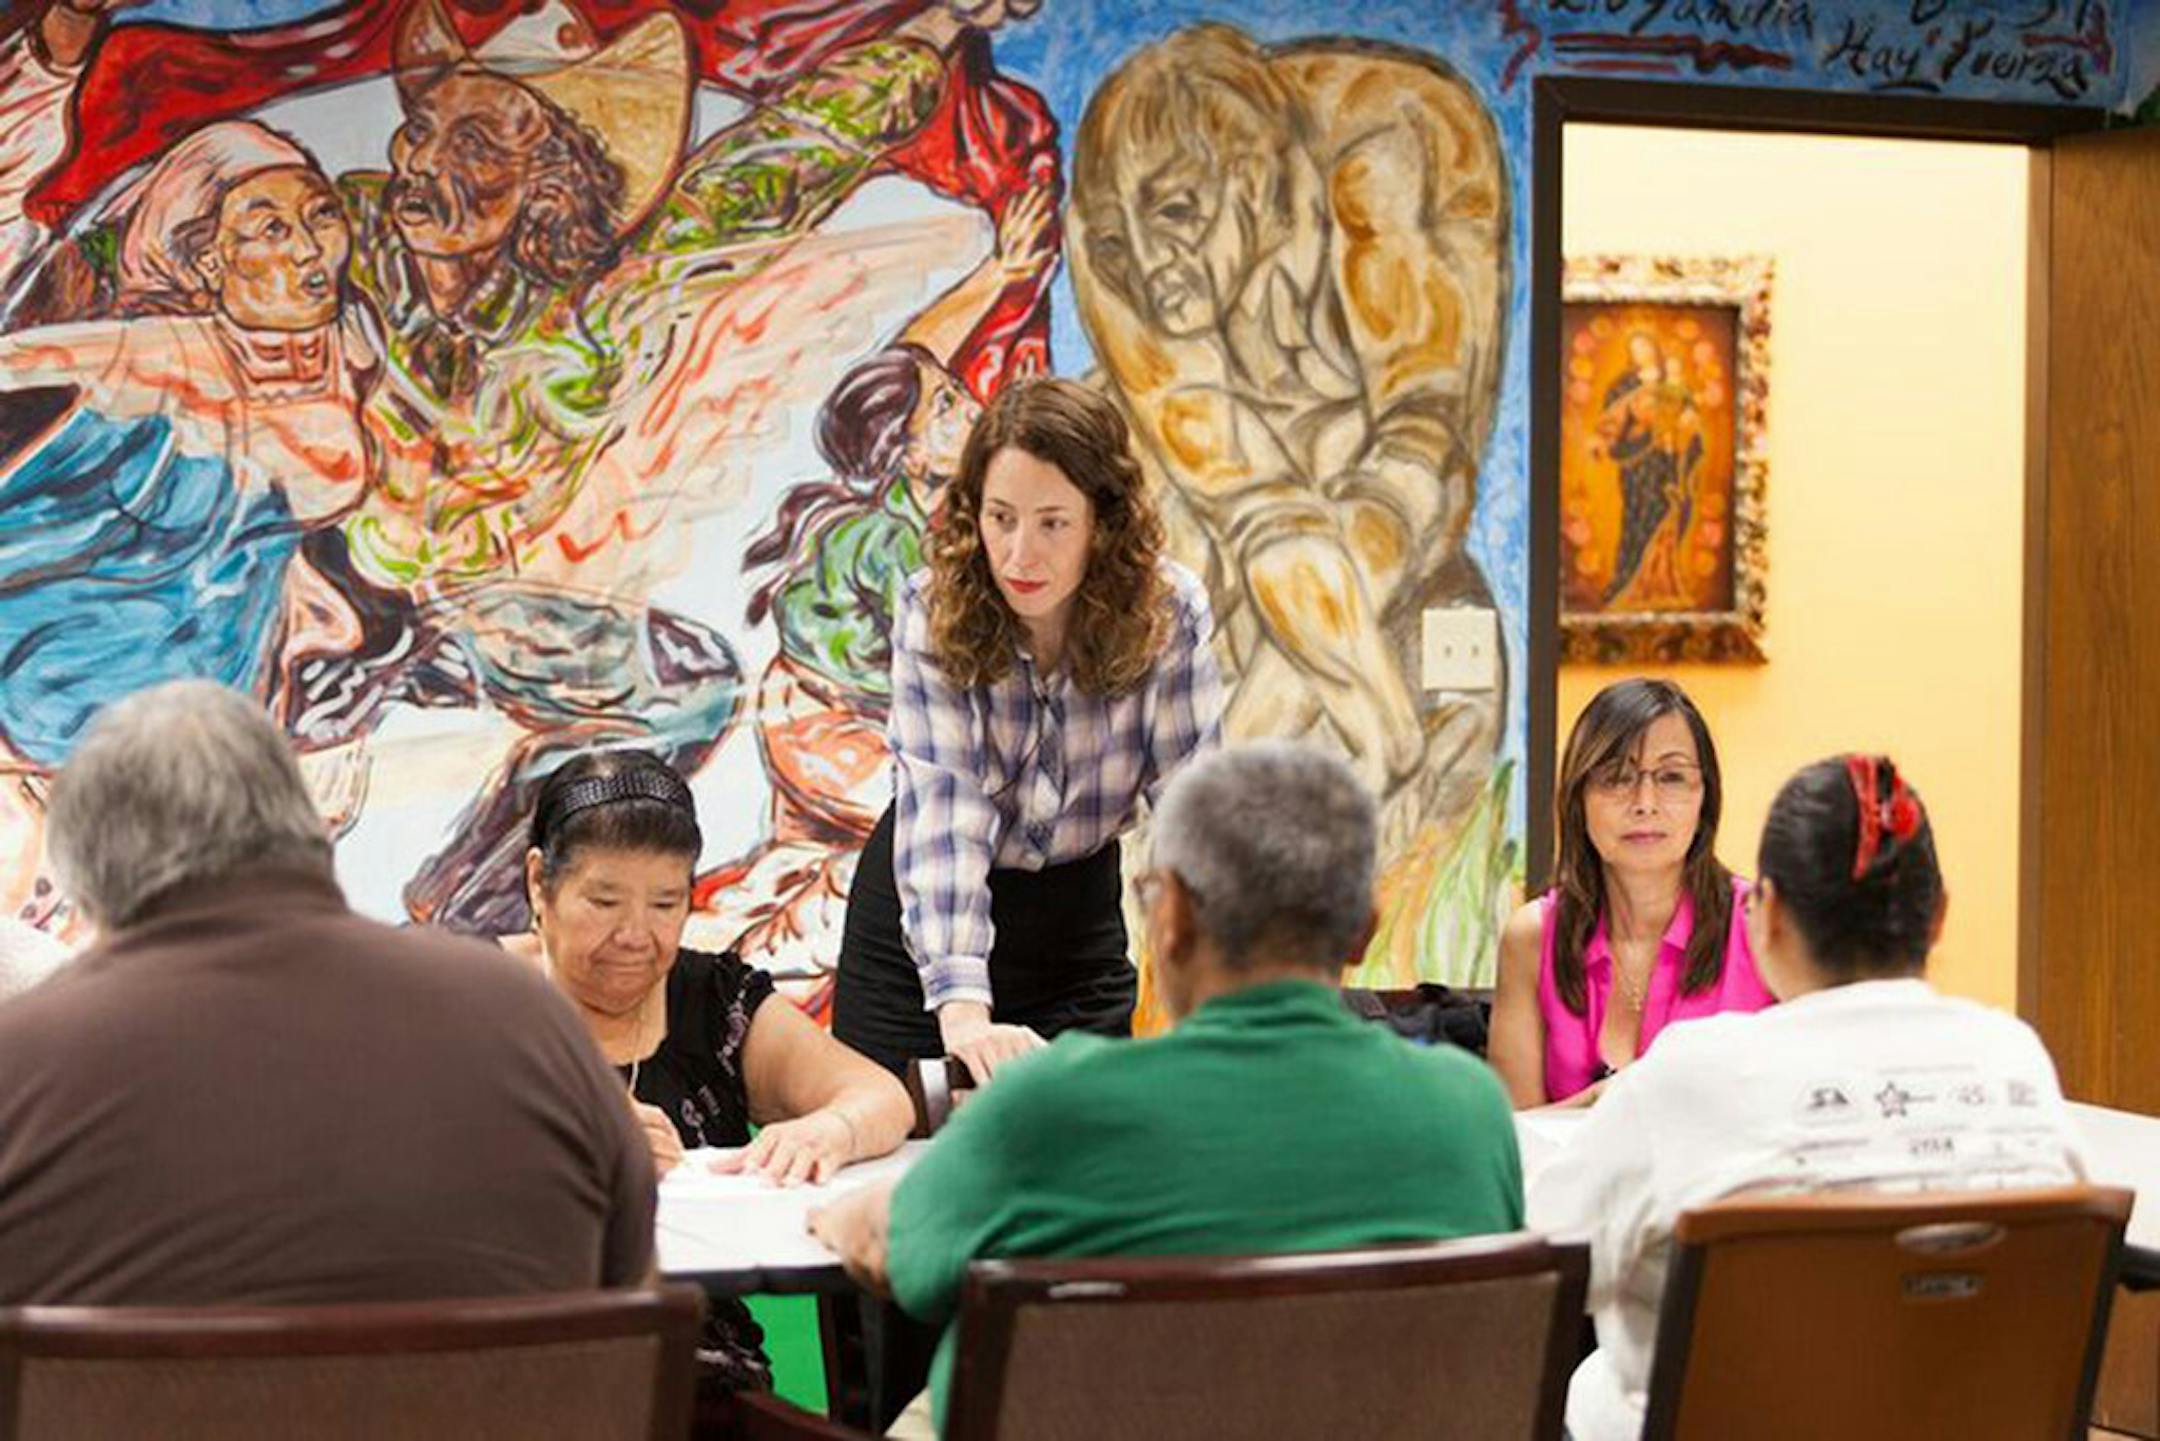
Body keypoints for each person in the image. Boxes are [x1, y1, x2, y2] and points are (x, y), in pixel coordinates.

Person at [811, 741, 1524, 1438]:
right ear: (1364, 928)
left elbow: (892, 1248)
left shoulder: (1054, 1104)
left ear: (1172, 917)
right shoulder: (1468, 1110)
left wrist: (846, 1211)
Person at [0, 680, 654, 1305]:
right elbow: (631, 1293)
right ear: (309, 829)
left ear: (88, 882)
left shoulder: (25, 1062)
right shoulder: (529, 1019)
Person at [1527, 753, 2087, 1441]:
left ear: (1767, 915)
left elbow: (1533, 1273)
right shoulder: (2017, 1058)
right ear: (1938, 916)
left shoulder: (1689, 1076)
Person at [1069, 23, 1508, 856]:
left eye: (1175, 213)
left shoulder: (1393, 153)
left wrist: (1359, 697)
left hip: (1390, 556)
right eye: (1123, 238)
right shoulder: (1109, 244)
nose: (1151, 264)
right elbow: (1254, 512)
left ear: (1254, 183)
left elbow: (1421, 465)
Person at [0, 97, 377, 930]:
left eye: (319, 218)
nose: (310, 249)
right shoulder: (143, 355)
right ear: (206, 261)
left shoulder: (345, 360)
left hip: (206, 719)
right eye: (268, 229)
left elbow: (274, 550)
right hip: (62, 694)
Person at [830, 376, 1225, 1080]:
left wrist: (1223, 999)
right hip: (921, 932)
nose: (1018, 555)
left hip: (1074, 926)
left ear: (1103, 521)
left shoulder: (1170, 614)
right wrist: (960, 1012)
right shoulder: (934, 608)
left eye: (1052, 522)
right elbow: (946, 809)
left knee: (1086, 1152)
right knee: (905, 1147)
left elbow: (1194, 815)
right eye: (1001, 517)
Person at [511, 747, 912, 1389]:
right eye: (604, 901)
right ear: (540, 883)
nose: (636, 936)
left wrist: (830, 1130)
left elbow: (879, 1097)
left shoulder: (714, 1000)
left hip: (695, 1368)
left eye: (666, 904)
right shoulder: (475, 997)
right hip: (515, 1358)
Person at [1488, 678, 1773, 1108]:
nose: (1644, 802)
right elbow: (1513, 1141)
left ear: (1705, 799)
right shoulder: (1532, 936)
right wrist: (1607, 1103)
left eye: (1672, 777)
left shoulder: (1766, 925)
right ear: (1577, 799)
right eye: (1617, 777)